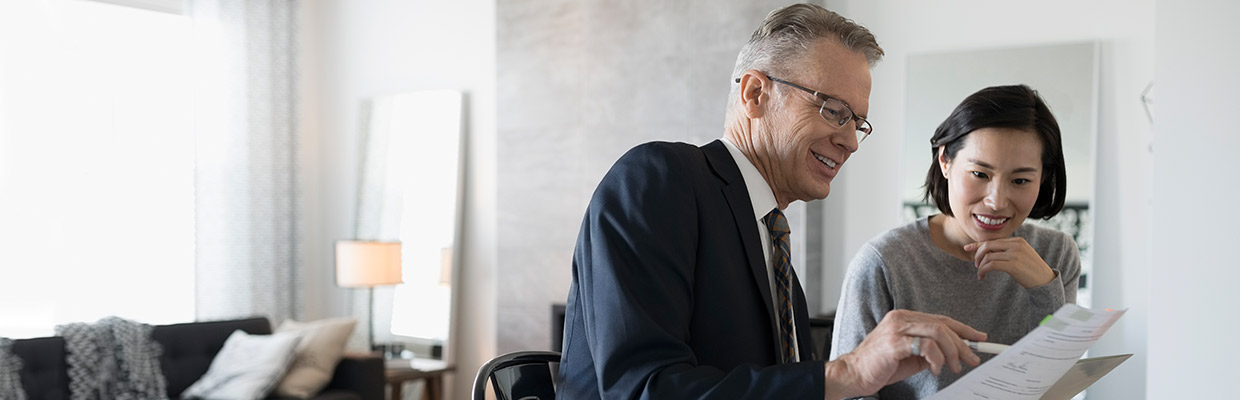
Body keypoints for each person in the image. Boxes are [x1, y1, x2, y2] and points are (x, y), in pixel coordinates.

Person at [556, 4, 988, 399]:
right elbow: (644, 389)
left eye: (858, 122)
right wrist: (848, 372)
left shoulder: (771, 239)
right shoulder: (658, 177)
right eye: (834, 110)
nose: (851, 141)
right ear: (755, 94)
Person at [829, 84, 1082, 399]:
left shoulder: (1055, 254)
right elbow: (847, 393)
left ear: (1042, 179)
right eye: (979, 174)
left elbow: (1055, 383)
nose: (996, 201)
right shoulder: (884, 262)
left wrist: (1045, 289)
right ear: (945, 161)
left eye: (1020, 181)